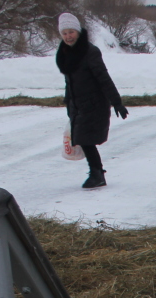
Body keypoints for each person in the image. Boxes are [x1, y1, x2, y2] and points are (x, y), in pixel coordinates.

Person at [56, 13, 127, 189]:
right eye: (64, 33)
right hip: (77, 104)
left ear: (78, 32)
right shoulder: (66, 53)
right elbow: (69, 82)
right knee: (83, 138)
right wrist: (68, 102)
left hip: (93, 103)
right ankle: (96, 172)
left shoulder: (89, 52)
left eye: (71, 32)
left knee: (86, 139)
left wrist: (116, 102)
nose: (68, 36)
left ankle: (97, 173)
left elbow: (103, 78)